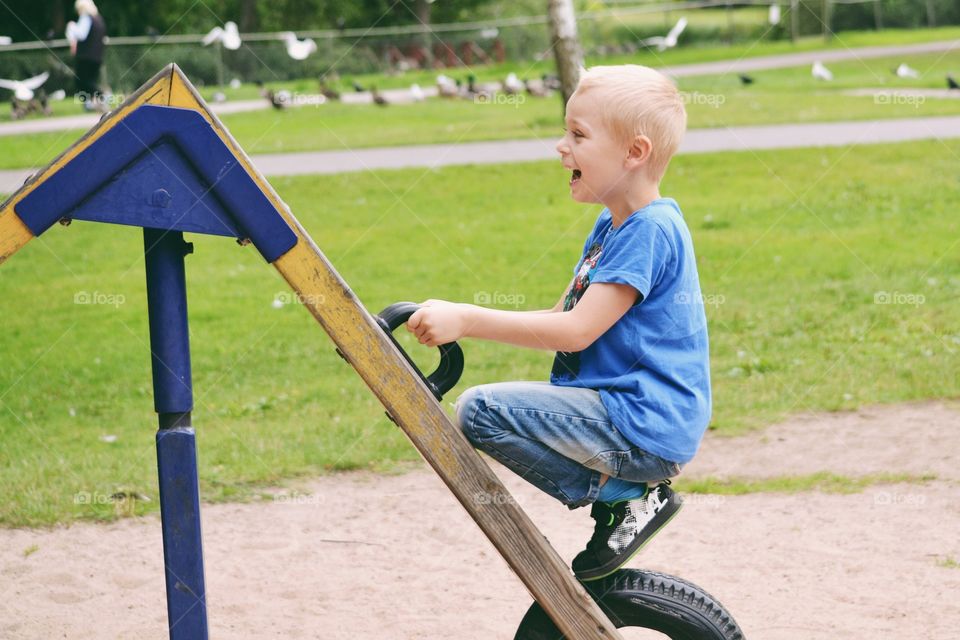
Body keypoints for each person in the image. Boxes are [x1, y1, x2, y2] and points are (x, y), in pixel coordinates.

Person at [404, 64, 711, 582]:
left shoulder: (650, 230)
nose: (561, 147)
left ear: (634, 153)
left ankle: (625, 496)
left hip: (641, 423)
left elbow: (576, 332)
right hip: (628, 417)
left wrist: (468, 320)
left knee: (482, 411)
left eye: (578, 135)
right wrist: (457, 311)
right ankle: (622, 499)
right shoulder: (614, 223)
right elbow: (564, 317)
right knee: (482, 411)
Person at [66, 0, 106, 111]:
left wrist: (71, 26)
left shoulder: (86, 17)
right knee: (91, 81)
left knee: (81, 82)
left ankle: (100, 97)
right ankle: (94, 103)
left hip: (85, 56)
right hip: (97, 56)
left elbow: (81, 34)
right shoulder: (99, 19)